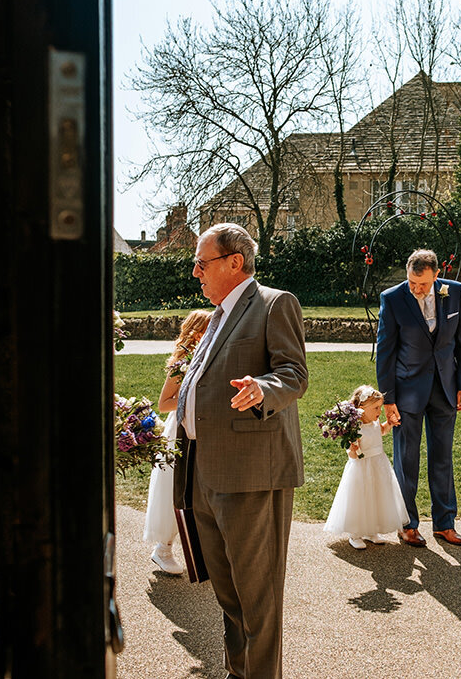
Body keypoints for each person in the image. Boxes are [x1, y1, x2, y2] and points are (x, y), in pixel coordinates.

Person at [173, 223, 308, 679]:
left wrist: (262, 388)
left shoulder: (274, 304)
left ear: (235, 261)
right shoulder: (215, 317)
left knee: (258, 598)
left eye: (202, 262)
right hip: (205, 474)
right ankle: (239, 672)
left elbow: (293, 374)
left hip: (251, 474)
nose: (195, 273)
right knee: (229, 594)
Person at [376, 249, 461, 547]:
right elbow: (385, 351)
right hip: (407, 392)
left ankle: (445, 524)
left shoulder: (453, 292)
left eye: (423, 284)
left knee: (443, 458)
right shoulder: (392, 298)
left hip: (445, 389)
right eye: (412, 283)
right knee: (406, 460)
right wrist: (388, 398)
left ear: (436, 275)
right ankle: (407, 524)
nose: (417, 290)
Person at [144, 309, 212, 575]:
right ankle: (163, 548)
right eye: (209, 328)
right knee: (173, 486)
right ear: (196, 332)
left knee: (200, 490)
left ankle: (201, 552)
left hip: (204, 431)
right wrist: (195, 403)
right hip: (179, 432)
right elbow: (164, 404)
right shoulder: (181, 364)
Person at [323, 385, 409, 550]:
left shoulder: (375, 422)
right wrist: (353, 450)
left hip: (379, 465)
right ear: (361, 408)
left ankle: (372, 531)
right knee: (361, 498)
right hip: (362, 468)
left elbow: (381, 431)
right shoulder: (355, 428)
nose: (379, 411)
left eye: (379, 407)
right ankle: (355, 533)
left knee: (377, 497)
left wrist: (389, 424)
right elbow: (352, 454)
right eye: (376, 408)